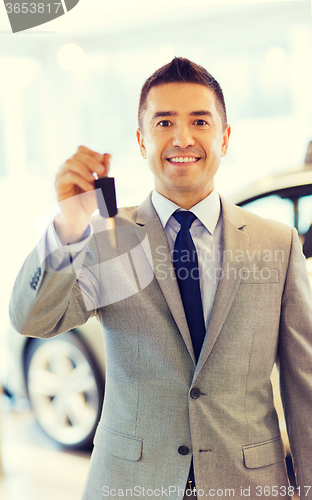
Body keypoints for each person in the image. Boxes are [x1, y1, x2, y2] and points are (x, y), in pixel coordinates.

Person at [9, 58, 312, 500]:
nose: (182, 138)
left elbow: (304, 388)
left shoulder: (278, 244)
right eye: (164, 121)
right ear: (141, 140)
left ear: (224, 138)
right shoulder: (109, 238)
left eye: (200, 121)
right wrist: (68, 224)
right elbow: (31, 320)